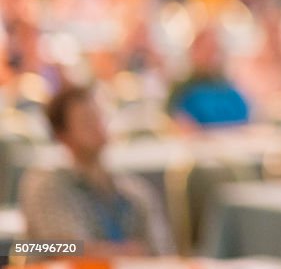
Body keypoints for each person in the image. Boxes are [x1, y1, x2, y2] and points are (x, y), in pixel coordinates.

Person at [19, 85, 174, 256]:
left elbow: (160, 252)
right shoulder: (46, 186)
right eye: (87, 121)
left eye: (99, 117)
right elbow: (59, 249)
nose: (97, 126)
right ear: (62, 135)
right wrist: (124, 253)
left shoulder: (133, 191)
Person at [167, 25, 249, 128]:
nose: (211, 55)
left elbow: (245, 121)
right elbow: (176, 121)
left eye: (214, 49)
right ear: (194, 52)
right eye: (206, 49)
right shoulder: (181, 91)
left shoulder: (230, 90)